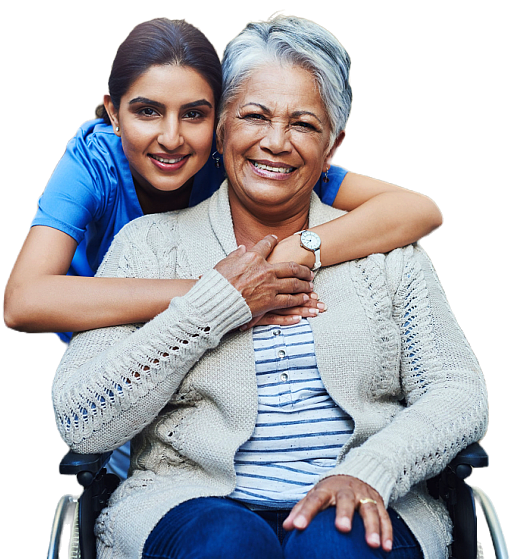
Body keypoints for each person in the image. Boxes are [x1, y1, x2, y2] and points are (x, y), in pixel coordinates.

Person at [51, 15, 488, 559]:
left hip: (369, 501)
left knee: (338, 540)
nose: (276, 142)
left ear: (333, 145)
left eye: (303, 124)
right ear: (223, 127)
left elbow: (458, 391)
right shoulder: (148, 245)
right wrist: (214, 306)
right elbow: (81, 420)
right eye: (254, 116)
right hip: (187, 503)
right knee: (226, 542)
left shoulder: (389, 254)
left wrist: (373, 470)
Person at [3, 17, 444, 345]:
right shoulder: (94, 161)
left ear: (219, 120)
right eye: (147, 111)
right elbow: (23, 302)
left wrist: (296, 249)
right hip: (118, 353)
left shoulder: (244, 159)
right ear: (114, 113)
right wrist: (222, 292)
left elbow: (418, 210)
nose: (172, 138)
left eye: (194, 113)